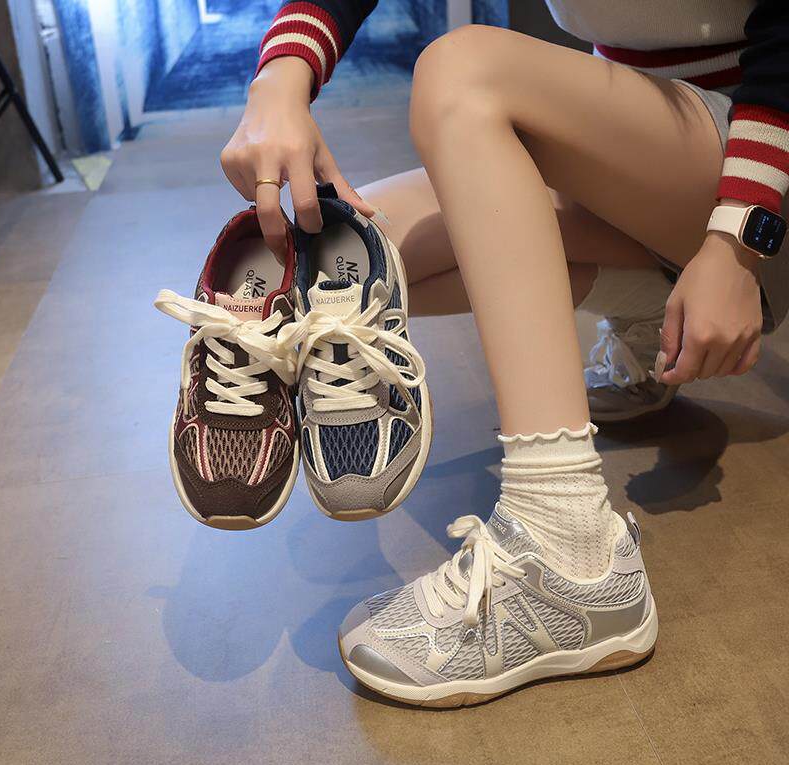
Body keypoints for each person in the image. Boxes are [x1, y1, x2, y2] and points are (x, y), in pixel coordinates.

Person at [218, 1, 789, 706]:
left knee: (463, 71)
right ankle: (651, 306)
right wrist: (279, 76)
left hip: (762, 167)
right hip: (638, 163)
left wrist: (737, 243)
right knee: (342, 256)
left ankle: (568, 546)